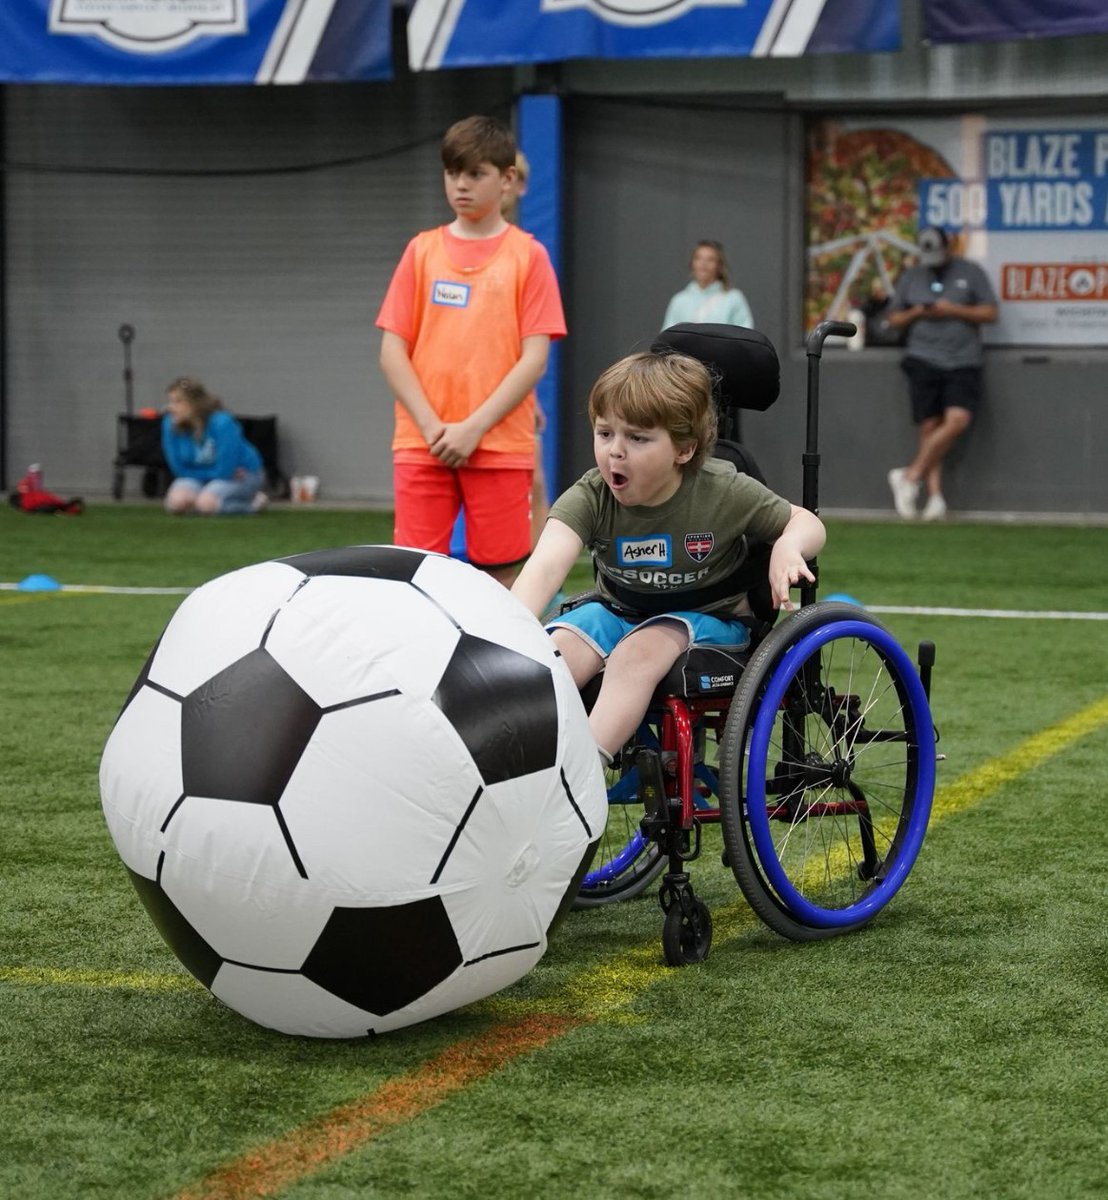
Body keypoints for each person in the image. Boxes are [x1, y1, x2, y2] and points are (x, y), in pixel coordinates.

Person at [512, 349, 825, 765]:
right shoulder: (593, 495)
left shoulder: (722, 490)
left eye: (637, 438)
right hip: (620, 609)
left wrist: (787, 545)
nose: (615, 452)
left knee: (638, 652)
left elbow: (807, 523)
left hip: (712, 619)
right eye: (605, 434)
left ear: (684, 450)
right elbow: (546, 566)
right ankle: (526, 767)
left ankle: (579, 779)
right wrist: (506, 632)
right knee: (554, 651)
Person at [377, 116, 566, 586]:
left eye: (475, 173)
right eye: (452, 172)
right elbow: (391, 352)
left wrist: (473, 428)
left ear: (506, 179)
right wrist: (433, 428)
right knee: (414, 577)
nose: (461, 184)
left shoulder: (529, 256)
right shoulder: (420, 252)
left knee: (502, 577)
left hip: (499, 446)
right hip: (423, 444)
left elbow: (534, 358)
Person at [885, 226, 998, 521]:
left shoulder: (970, 272)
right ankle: (935, 498)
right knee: (929, 427)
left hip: (962, 359)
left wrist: (953, 309)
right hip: (923, 357)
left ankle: (909, 476)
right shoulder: (912, 276)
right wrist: (918, 312)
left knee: (957, 419)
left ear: (949, 247)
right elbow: (894, 319)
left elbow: (990, 313)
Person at [161, 377, 267, 515]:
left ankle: (252, 504)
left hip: (242, 474)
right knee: (176, 503)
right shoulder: (169, 424)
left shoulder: (222, 422)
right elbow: (178, 468)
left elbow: (225, 469)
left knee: (206, 504)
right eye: (170, 401)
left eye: (178, 402)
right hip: (201, 476)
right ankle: (202, 498)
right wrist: (205, 476)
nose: (171, 407)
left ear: (194, 404)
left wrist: (201, 478)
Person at [662, 240, 754, 330]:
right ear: (692, 263)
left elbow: (745, 335)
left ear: (719, 265)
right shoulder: (679, 300)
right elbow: (667, 338)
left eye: (710, 259)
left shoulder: (734, 298)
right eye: (698, 258)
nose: (703, 264)